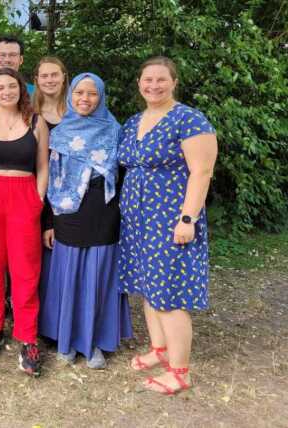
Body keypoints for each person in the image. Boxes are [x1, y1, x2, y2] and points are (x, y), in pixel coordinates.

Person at [118, 56, 217, 395]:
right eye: (147, 80)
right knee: (148, 287)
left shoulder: (189, 119)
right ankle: (159, 350)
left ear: (174, 82)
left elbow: (201, 172)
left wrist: (187, 218)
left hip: (170, 219)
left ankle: (179, 371)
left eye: (161, 80)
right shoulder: (134, 121)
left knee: (169, 293)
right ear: (139, 83)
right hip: (137, 220)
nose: (154, 85)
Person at [38, 72, 133, 369]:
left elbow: (125, 177)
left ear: (101, 97)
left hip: (104, 210)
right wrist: (48, 223)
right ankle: (65, 339)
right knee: (69, 273)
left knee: (97, 274)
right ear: (71, 95)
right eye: (80, 93)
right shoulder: (60, 132)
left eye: (92, 94)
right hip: (66, 211)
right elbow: (48, 178)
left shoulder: (115, 130)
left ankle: (93, 342)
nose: (85, 99)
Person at [0, 68, 49, 376]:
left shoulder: (36, 122)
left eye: (11, 86)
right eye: (0, 87)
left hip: (24, 196)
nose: (6, 91)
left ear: (21, 89)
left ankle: (27, 336)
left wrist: (37, 200)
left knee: (25, 269)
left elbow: (42, 166)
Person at [33, 57, 68, 326]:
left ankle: (59, 313)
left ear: (63, 76)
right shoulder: (29, 114)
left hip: (68, 194)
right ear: (36, 80)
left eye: (54, 75)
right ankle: (36, 312)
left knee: (60, 253)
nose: (49, 80)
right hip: (35, 190)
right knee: (33, 254)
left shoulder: (75, 111)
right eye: (44, 76)